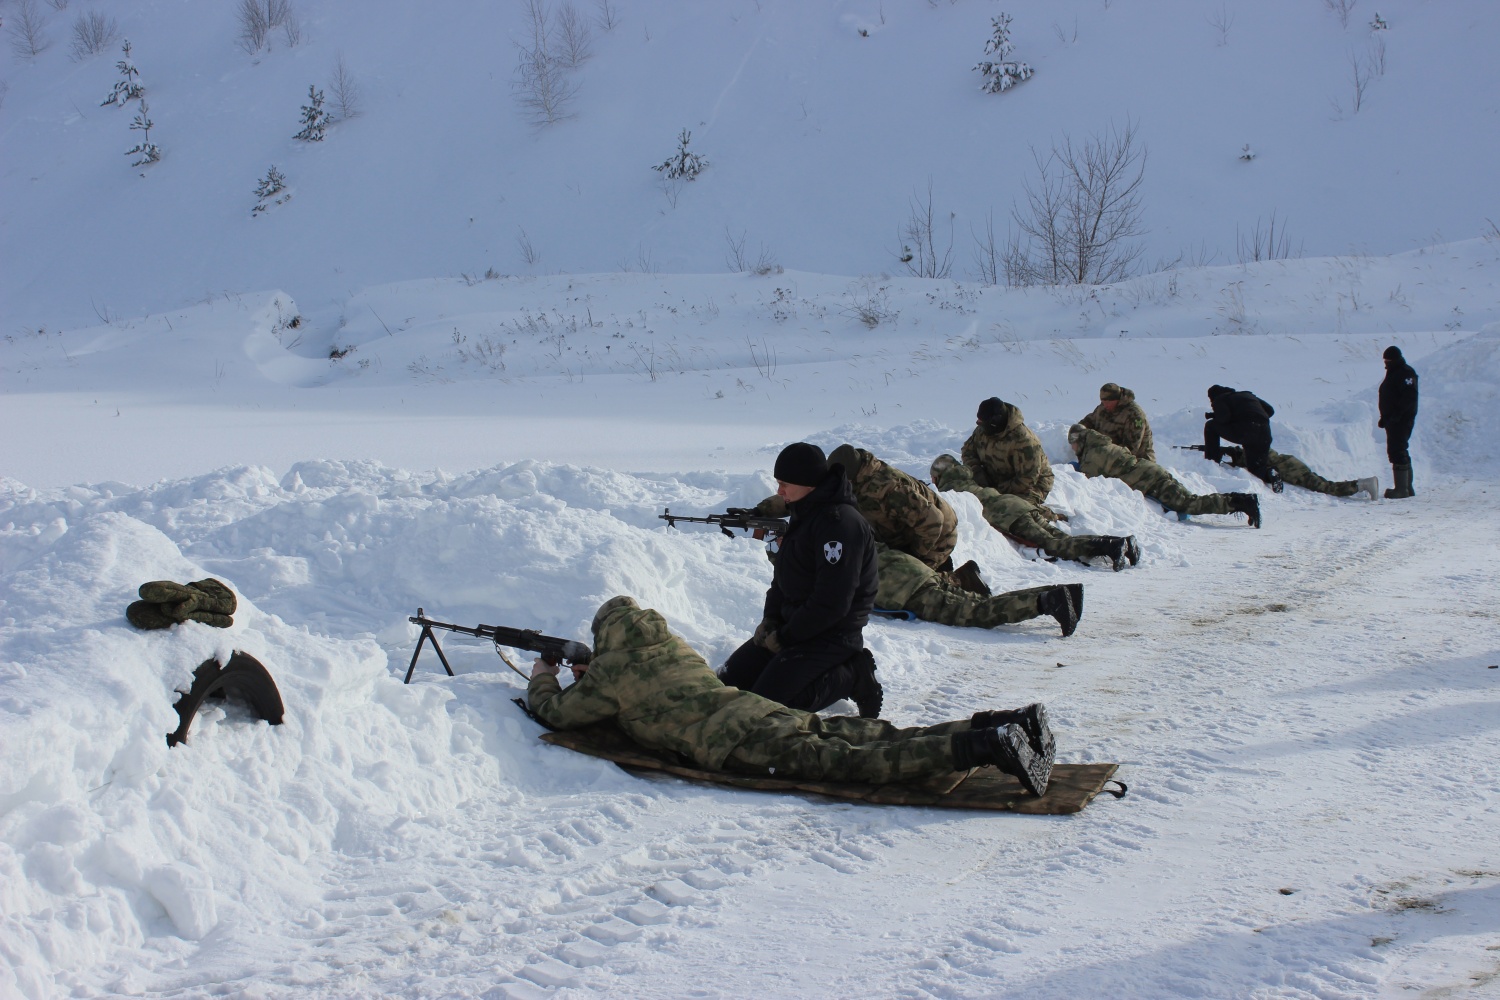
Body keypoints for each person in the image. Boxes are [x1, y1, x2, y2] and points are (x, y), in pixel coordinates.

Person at [528, 596, 1056, 796]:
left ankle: (987, 747)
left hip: (734, 742)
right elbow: (647, 684)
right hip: (753, 708)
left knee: (857, 764)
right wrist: (595, 674)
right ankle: (1002, 722)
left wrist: (545, 672)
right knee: (870, 733)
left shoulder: (610, 674)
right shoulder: (673, 646)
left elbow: (555, 712)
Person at [754, 445, 1081, 635]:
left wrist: (922, 564)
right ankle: (960, 579)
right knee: (965, 600)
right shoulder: (836, 531)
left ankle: (1049, 599)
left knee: (977, 613)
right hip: (902, 565)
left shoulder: (887, 488)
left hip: (926, 551)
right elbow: (797, 498)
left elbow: (932, 524)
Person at [718, 443, 883, 717]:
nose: (779, 491)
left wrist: (785, 637)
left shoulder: (839, 525)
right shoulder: (804, 510)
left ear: (808, 483)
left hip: (832, 635)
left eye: (784, 483)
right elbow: (782, 579)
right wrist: (771, 619)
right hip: (795, 625)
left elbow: (832, 602)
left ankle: (853, 674)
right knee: (727, 686)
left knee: (766, 710)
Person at [931, 454, 1141, 571]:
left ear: (937, 478)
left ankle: (1112, 546)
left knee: (1056, 545)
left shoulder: (950, 491)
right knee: (1062, 537)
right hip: (1017, 504)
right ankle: (1120, 542)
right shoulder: (968, 479)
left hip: (1009, 515)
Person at [1068, 424, 1261, 528]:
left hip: (1152, 480)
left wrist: (1072, 470)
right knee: (1190, 501)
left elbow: (1087, 481)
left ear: (1078, 441)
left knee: (1189, 504)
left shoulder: (1092, 455)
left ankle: (1241, 502)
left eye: (1073, 445)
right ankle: (1241, 502)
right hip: (1152, 472)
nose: (1073, 449)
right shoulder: (1100, 444)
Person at [961, 397, 1055, 507]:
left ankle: (1047, 516)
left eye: (983, 423)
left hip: (1030, 486)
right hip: (995, 479)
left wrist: (995, 491)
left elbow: (1026, 480)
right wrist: (977, 472)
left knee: (1005, 508)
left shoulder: (1024, 442)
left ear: (994, 422)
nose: (979, 426)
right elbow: (968, 451)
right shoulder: (982, 430)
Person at [1203, 446, 1379, 501]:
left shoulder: (1250, 455)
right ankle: (1360, 485)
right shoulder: (1254, 448)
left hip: (1291, 469)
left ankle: (1361, 484)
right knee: (1324, 482)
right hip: (1292, 463)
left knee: (1326, 487)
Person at [1204, 385, 1277, 487]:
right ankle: (1270, 474)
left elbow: (1224, 418)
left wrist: (1215, 415)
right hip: (1264, 433)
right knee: (1256, 470)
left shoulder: (1220, 399)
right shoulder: (1247, 395)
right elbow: (1270, 410)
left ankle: (1211, 463)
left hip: (1246, 432)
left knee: (1211, 426)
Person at [1378, 345, 1419, 498]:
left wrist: (1396, 415)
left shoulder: (1406, 373)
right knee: (1398, 449)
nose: (1385, 363)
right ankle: (1407, 488)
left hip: (1402, 420)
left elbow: (1409, 397)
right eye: (1385, 360)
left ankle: (1402, 489)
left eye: (1388, 360)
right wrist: (1385, 417)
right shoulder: (1395, 372)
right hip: (1394, 419)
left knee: (1398, 449)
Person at [1079, 383, 1155, 461]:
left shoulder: (1134, 415)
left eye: (1108, 402)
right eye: (1103, 401)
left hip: (1135, 463)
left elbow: (1131, 448)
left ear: (1117, 399)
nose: (1105, 405)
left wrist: (1101, 451)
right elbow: (1089, 421)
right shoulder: (1103, 408)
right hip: (1106, 456)